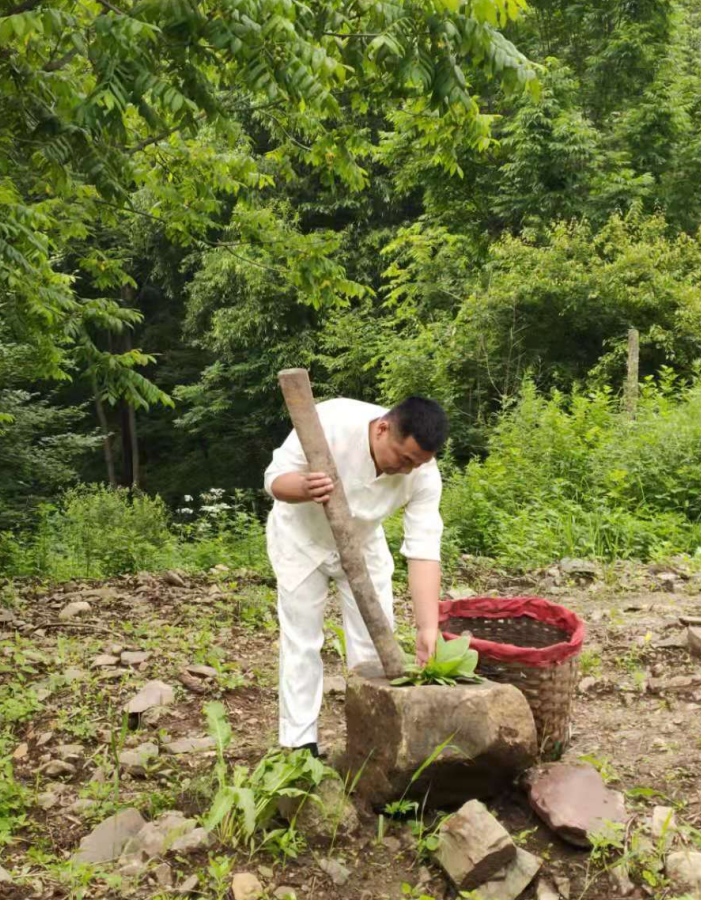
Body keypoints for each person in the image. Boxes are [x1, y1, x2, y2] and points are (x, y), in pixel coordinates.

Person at [264, 395, 448, 756]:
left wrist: (429, 627)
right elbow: (274, 479)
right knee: (302, 640)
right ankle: (300, 747)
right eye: (405, 458)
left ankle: (373, 744)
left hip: (362, 541)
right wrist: (302, 488)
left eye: (418, 463)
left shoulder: (423, 473)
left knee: (374, 644)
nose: (408, 470)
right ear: (383, 429)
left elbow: (424, 549)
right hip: (302, 539)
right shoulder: (330, 421)